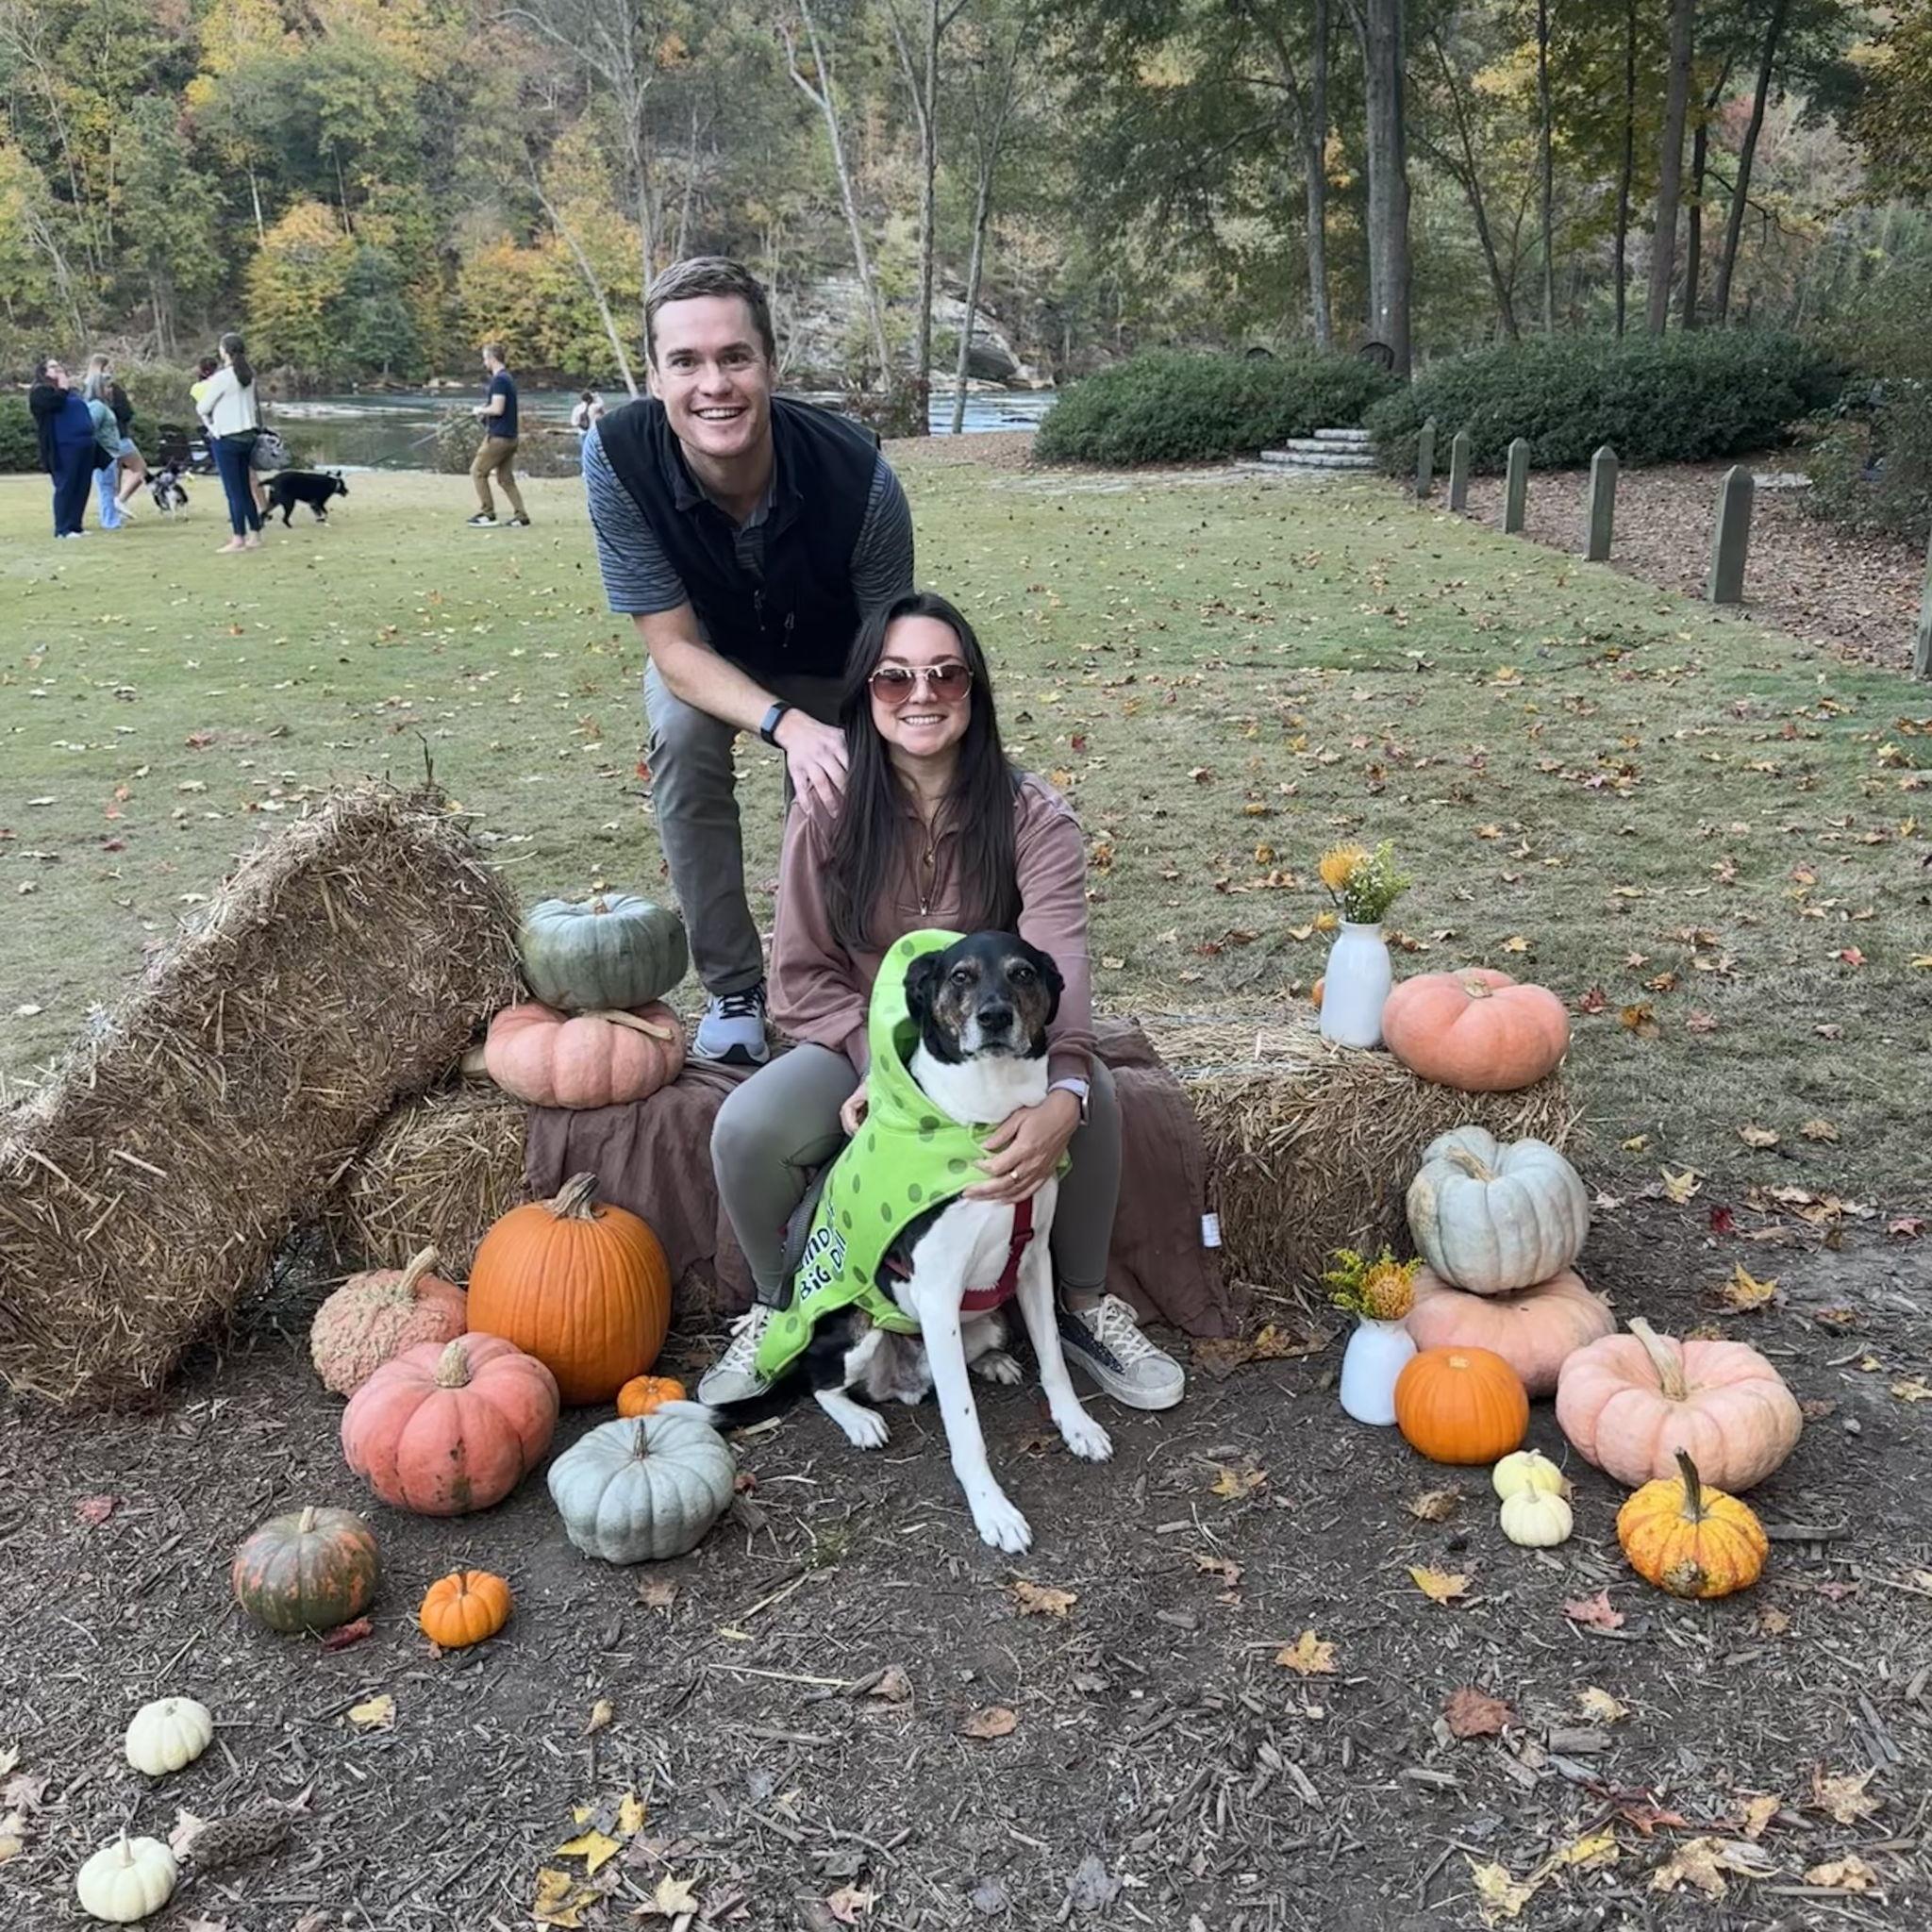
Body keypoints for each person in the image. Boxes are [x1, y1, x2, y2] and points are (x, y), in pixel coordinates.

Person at [700, 589, 1187, 1414]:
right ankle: (783, 1308)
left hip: (991, 1044)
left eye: (945, 674)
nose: (921, 694)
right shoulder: (826, 809)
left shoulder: (1034, 818)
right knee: (747, 1129)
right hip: (861, 1043)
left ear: (974, 691)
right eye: (894, 678)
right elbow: (800, 975)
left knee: (1092, 1094)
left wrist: (1066, 1089)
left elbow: (1062, 969)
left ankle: (1083, 1304)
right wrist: (881, 1068)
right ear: (866, 695)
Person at [583, 255, 914, 1065]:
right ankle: (733, 986)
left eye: (735, 357)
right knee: (682, 739)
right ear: (654, 377)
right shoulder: (616, 457)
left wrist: (847, 745)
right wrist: (785, 726)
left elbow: (890, 653)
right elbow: (672, 648)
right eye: (686, 362)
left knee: (841, 780)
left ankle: (831, 972)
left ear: (771, 364)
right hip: (709, 654)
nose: (714, 385)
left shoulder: (861, 477)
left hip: (838, 657)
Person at [198, 331, 264, 553]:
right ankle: (255, 533)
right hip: (248, 436)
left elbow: (203, 407)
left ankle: (238, 538)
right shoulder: (248, 375)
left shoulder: (223, 378)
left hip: (227, 437)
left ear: (225, 351)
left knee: (233, 491)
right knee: (245, 488)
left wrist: (212, 423)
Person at [27, 356, 99, 538]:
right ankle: (63, 528)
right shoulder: (40, 392)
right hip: (62, 446)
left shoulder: (71, 392)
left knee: (81, 486)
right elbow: (55, 404)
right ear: (43, 372)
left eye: (59, 366)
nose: (58, 369)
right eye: (53, 367)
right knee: (66, 485)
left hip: (84, 444)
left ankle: (76, 525)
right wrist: (63, 388)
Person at [468, 342, 529, 527]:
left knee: (478, 471)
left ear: (492, 358)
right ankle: (521, 516)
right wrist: (484, 413)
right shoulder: (507, 378)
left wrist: (480, 410)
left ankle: (488, 514)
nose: (484, 362)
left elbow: (497, 408)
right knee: (505, 479)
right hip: (511, 437)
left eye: (485, 358)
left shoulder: (499, 380)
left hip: (499, 438)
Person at [85, 353, 148, 516]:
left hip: (101, 441)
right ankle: (120, 500)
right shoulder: (111, 388)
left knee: (111, 478)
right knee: (140, 469)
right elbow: (125, 412)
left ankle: (111, 513)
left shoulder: (87, 388)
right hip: (119, 436)